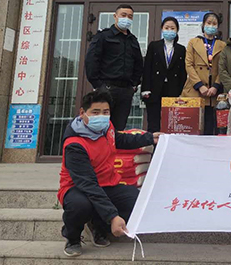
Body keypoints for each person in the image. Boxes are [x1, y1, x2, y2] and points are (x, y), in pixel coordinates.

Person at [57, 90, 160, 257]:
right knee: (80, 206)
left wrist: (149, 138)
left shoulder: (106, 128)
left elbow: (119, 139)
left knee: (136, 201)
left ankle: (98, 226)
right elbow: (88, 184)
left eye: (105, 112)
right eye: (95, 112)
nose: (101, 116)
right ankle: (72, 237)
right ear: (82, 113)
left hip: (107, 182)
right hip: (78, 188)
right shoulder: (74, 145)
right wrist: (113, 216)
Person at [85, 4, 143, 131]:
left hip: (126, 91)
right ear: (115, 16)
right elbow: (91, 60)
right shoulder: (103, 36)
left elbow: (138, 64)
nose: (126, 19)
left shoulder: (133, 40)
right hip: (106, 88)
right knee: (101, 126)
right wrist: (98, 85)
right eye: (123, 15)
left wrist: (134, 85)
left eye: (130, 16)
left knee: (119, 128)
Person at [181, 12, 226, 135]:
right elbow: (189, 65)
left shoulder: (222, 45)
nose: (211, 26)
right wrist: (199, 85)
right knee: (193, 127)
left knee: (211, 127)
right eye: (208, 23)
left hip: (213, 92)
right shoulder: (193, 42)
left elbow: (224, 68)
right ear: (203, 25)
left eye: (214, 24)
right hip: (196, 89)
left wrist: (216, 86)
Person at [141, 17, 187, 133]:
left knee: (171, 122)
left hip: (173, 89)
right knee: (153, 122)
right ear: (162, 29)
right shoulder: (154, 46)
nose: (169, 30)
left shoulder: (181, 49)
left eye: (172, 28)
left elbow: (183, 72)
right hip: (154, 88)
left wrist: (182, 92)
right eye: (167, 28)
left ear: (177, 30)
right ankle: (153, 143)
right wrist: (145, 89)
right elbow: (147, 68)